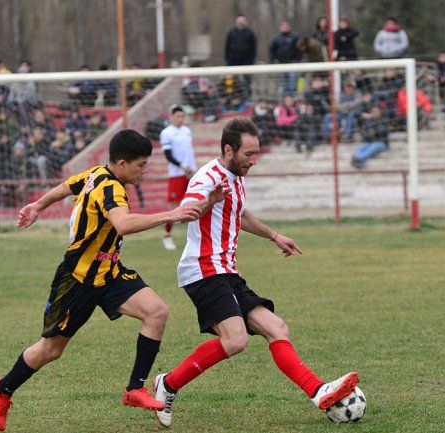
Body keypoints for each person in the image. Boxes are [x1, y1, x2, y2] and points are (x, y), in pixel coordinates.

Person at [0, 129, 216, 432]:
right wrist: (170, 214)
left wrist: (38, 206)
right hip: (77, 278)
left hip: (109, 274)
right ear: (121, 163)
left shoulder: (97, 173)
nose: (144, 171)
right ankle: (2, 388)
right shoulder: (112, 189)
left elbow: (67, 186)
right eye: (141, 165)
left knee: (156, 312)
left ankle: (135, 389)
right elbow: (123, 224)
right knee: (50, 350)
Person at [151, 118, 360, 427]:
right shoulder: (207, 177)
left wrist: (274, 235)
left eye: (257, 153)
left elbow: (240, 214)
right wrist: (209, 199)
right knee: (235, 341)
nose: (254, 160)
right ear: (228, 149)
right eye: (248, 154)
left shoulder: (236, 177)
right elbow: (186, 212)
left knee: (277, 328)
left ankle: (319, 392)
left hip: (227, 270)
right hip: (203, 269)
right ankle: (167, 385)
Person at [160, 105, 197, 250]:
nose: (181, 119)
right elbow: (168, 155)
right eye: (178, 116)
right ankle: (167, 236)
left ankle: (196, 239)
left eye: (182, 116)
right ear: (171, 117)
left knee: (195, 203)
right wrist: (182, 166)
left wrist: (192, 168)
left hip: (190, 173)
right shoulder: (166, 133)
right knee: (173, 206)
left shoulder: (186, 131)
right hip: (177, 174)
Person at [269, 22, 301, 96]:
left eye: (286, 26)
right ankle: (285, 100)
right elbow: (271, 50)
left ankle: (293, 99)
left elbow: (300, 49)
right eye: (283, 26)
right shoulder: (276, 38)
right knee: (284, 85)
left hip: (292, 65)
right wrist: (274, 59)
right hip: (281, 65)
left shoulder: (295, 37)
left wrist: (297, 60)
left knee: (293, 84)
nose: (284, 28)